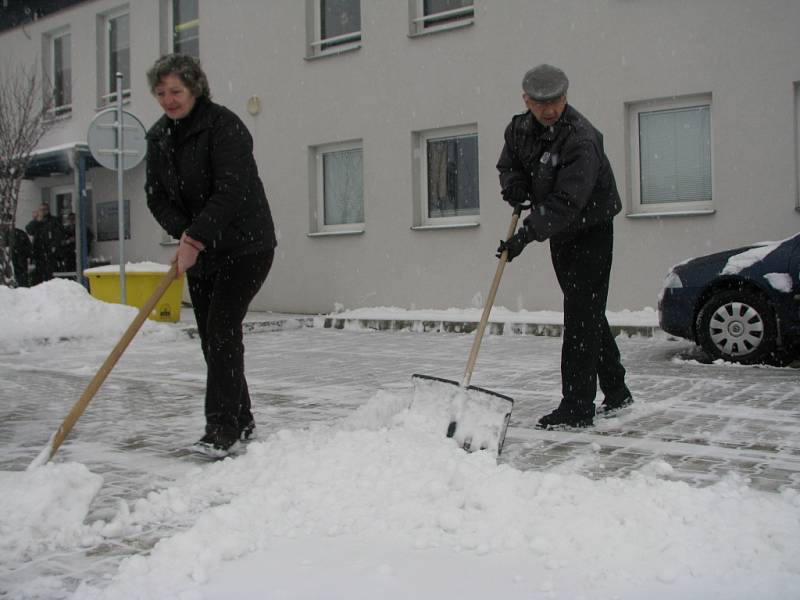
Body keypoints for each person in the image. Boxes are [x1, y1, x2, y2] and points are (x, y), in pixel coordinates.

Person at [144, 53, 277, 455]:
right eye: (161, 92)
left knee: (221, 332)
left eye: (176, 91)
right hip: (203, 252)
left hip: (247, 245)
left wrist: (196, 238)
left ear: (195, 88)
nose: (169, 99)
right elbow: (156, 197)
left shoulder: (224, 126)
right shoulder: (158, 138)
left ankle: (222, 429)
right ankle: (242, 417)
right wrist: (185, 235)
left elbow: (230, 191)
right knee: (212, 339)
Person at [496, 64, 633, 430]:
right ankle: (617, 390)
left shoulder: (580, 137)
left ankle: (577, 407)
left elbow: (567, 201)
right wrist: (514, 186)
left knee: (580, 316)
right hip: (560, 231)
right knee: (586, 311)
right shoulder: (519, 129)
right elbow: (510, 165)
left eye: (556, 101)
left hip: (591, 228)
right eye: (541, 103)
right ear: (527, 100)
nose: (550, 109)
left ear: (565, 96)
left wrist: (526, 234)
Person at [25, 203, 65, 284]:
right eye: (40, 210)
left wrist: (53, 246)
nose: (42, 212)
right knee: (39, 275)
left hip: (50, 252)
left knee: (49, 274)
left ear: (47, 210)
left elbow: (59, 235)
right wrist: (36, 221)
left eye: (44, 210)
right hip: (38, 252)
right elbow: (29, 230)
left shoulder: (53, 221)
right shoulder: (37, 221)